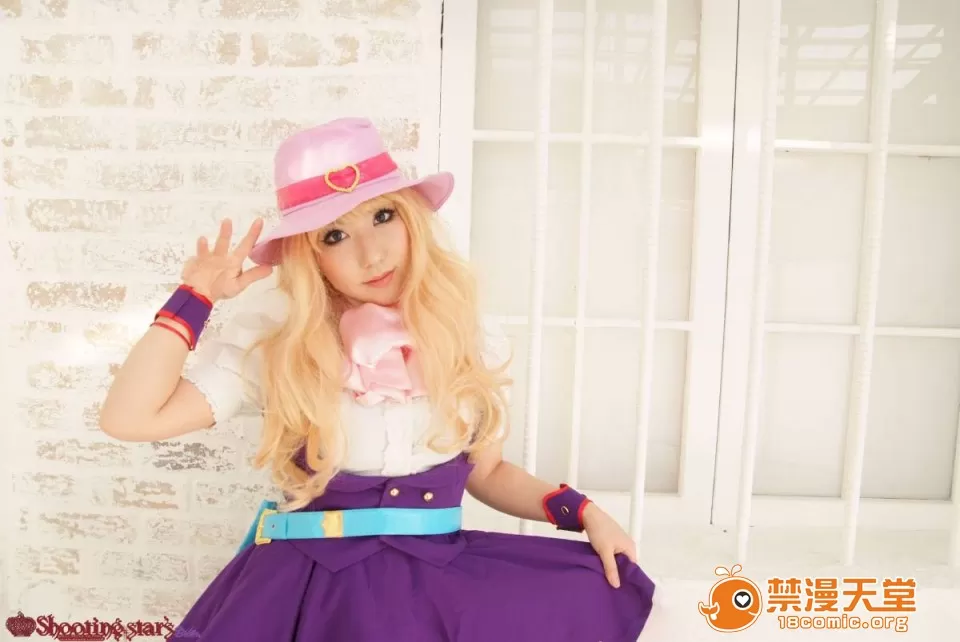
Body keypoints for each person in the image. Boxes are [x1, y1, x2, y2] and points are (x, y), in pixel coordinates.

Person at [100, 117, 658, 641]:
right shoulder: (276, 346)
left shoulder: (468, 334)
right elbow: (130, 419)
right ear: (310, 256)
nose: (371, 254)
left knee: (596, 588)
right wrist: (195, 296)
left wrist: (583, 511)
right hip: (309, 595)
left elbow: (487, 472)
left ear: (411, 219)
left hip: (437, 588)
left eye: (383, 216)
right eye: (334, 236)